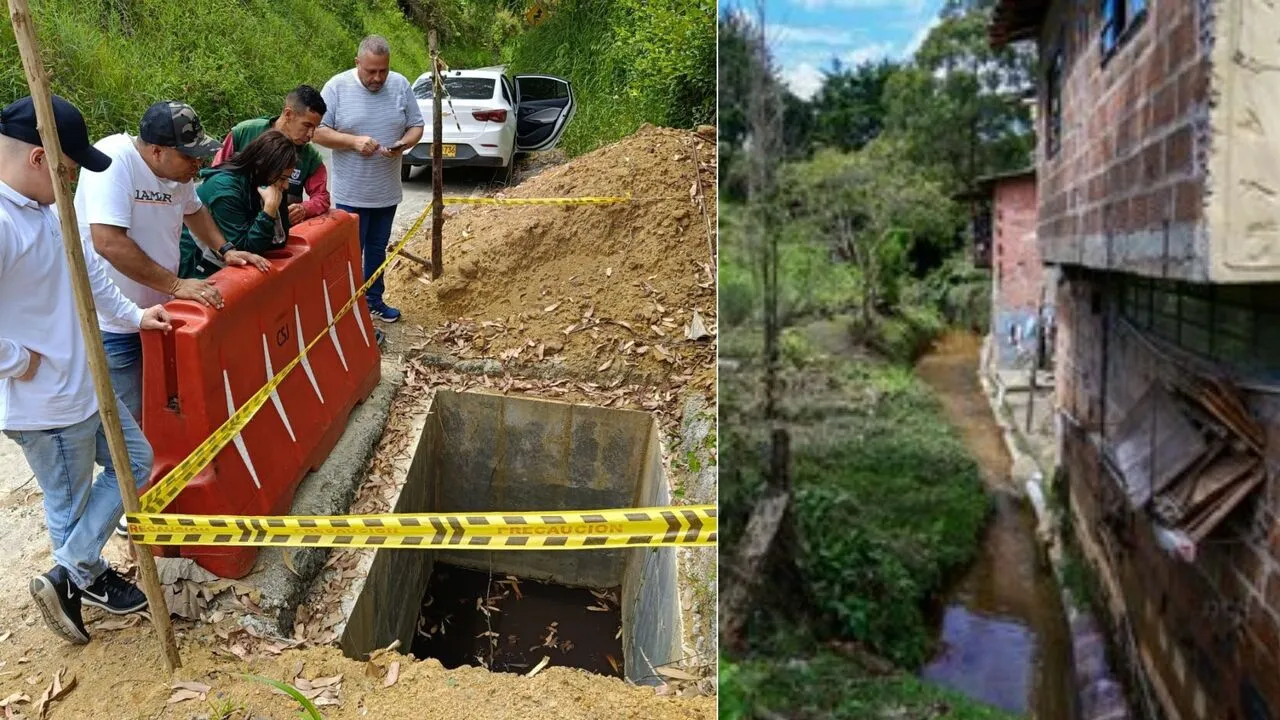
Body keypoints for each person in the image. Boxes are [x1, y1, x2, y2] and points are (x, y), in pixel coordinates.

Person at [0, 95, 173, 644]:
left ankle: (71, 570)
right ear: (36, 159)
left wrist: (135, 314)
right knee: (70, 505)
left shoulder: (47, 211)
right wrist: (16, 361)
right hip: (46, 403)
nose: (71, 183)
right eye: (68, 170)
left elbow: (92, 274)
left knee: (138, 462)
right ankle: (78, 579)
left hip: (86, 387)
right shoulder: (3, 223)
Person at [73, 100, 271, 425]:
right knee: (129, 424)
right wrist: (177, 285)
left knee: (161, 410)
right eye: (189, 156)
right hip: (114, 321)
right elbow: (108, 242)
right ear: (156, 151)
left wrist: (226, 250)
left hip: (157, 313)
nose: (198, 165)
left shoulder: (176, 177)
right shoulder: (113, 160)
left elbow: (193, 210)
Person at [314, 34, 424, 325]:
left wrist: (403, 143)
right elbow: (318, 131)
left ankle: (373, 301)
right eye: (371, 71)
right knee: (350, 254)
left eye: (383, 71)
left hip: (387, 192)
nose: (377, 78)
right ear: (357, 63)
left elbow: (417, 125)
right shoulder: (336, 87)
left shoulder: (400, 85)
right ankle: (344, 309)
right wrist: (353, 142)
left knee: (377, 252)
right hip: (351, 194)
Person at [179, 130, 298, 279]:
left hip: (219, 262)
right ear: (262, 167)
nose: (286, 186)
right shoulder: (225, 189)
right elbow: (244, 251)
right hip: (197, 265)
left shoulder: (261, 182)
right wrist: (269, 210)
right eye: (282, 178)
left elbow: (279, 241)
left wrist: (276, 200)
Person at [212, 85, 330, 225]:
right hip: (234, 222)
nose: (311, 135)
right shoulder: (244, 133)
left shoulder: (310, 156)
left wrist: (303, 209)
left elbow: (322, 197)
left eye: (315, 128)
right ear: (288, 114)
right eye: (307, 125)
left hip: (278, 230)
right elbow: (215, 176)